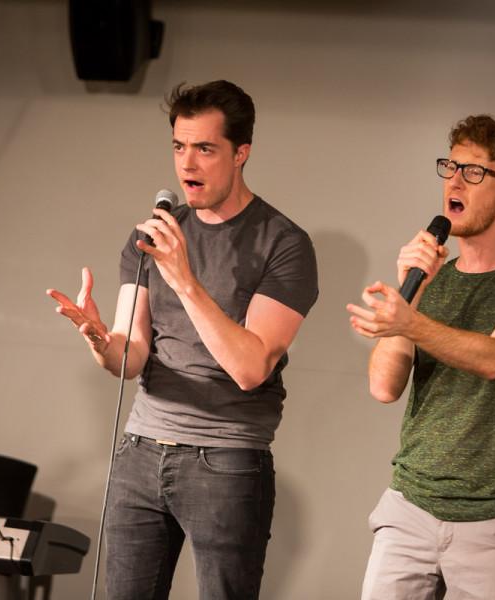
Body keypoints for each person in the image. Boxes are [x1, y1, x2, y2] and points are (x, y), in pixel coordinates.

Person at [47, 80, 318, 600]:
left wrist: (184, 278)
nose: (187, 164)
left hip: (227, 460)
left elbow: (250, 367)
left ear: (241, 153)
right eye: (178, 147)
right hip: (141, 450)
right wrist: (101, 340)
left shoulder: (284, 244)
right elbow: (131, 357)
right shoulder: (153, 235)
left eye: (204, 149)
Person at [346, 115, 495, 599]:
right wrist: (411, 293)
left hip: (494, 521)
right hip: (408, 506)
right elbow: (384, 388)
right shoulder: (431, 281)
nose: (454, 180)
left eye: (474, 172)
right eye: (450, 167)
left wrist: (407, 321)